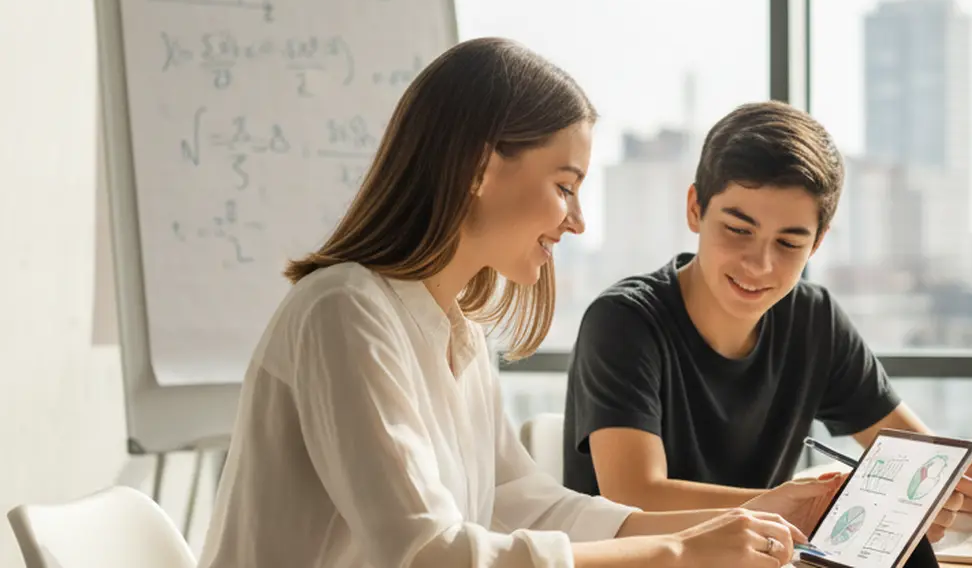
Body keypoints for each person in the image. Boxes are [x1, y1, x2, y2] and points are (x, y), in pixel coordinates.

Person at [198, 38, 843, 568]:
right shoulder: (342, 312)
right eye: (565, 186)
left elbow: (521, 501)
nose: (578, 222)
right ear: (480, 167)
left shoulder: (459, 328)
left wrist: (758, 513)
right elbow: (427, 553)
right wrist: (673, 550)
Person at [561, 101, 972, 552]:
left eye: (788, 243)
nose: (760, 264)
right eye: (739, 230)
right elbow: (634, 496)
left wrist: (970, 479)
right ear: (695, 208)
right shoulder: (624, 321)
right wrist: (797, 508)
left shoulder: (812, 319)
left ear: (817, 243)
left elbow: (919, 455)